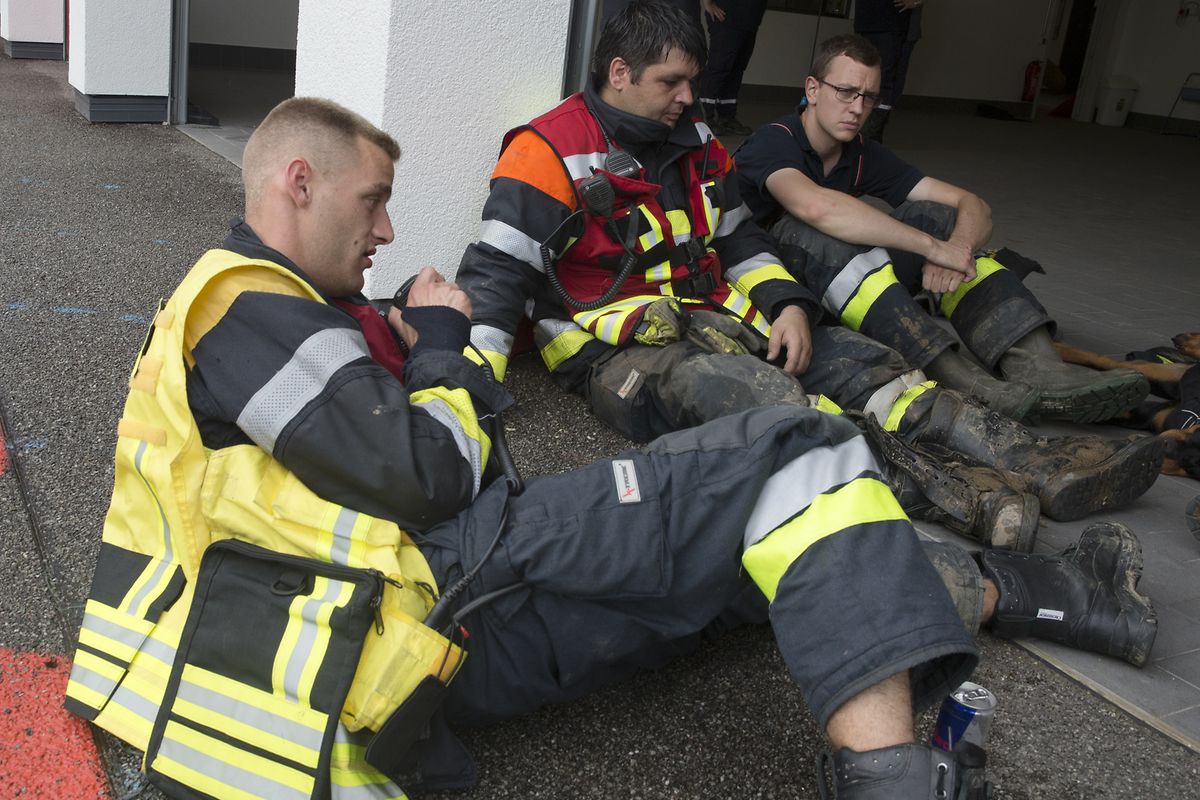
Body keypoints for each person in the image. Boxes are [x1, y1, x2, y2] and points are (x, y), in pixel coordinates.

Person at [62, 97, 1155, 800]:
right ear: (296, 184)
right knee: (797, 454)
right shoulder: (240, 305)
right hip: (430, 590)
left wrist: (404, 341)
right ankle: (895, 777)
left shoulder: (286, 308)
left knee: (764, 564)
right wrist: (440, 348)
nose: (389, 227)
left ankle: (1046, 594)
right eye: (374, 199)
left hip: (405, 642)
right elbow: (429, 470)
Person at [456, 1, 1163, 541]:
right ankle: (971, 503)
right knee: (768, 403)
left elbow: (737, 242)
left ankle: (1042, 462)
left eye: (691, 83)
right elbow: (493, 280)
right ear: (619, 73)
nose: (686, 99)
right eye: (672, 82)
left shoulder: (698, 142)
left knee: (870, 368)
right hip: (619, 356)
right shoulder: (546, 151)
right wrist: (471, 408)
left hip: (720, 319)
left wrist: (790, 307)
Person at [734, 33, 1151, 426]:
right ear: (812, 89)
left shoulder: (860, 153)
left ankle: (1041, 370)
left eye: (869, 98)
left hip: (838, 285)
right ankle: (965, 382)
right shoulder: (774, 141)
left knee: (940, 217)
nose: (858, 108)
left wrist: (958, 246)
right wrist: (932, 249)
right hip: (777, 293)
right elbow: (816, 206)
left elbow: (973, 205)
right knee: (813, 232)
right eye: (845, 92)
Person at [853, 0, 925, 143]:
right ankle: (862, 128)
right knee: (863, 75)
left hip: (894, 24)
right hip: (868, 21)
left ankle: (872, 131)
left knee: (885, 78)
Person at [698, 0, 768, 136]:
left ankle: (727, 117)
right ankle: (704, 118)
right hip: (726, 16)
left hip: (750, 21)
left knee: (736, 70)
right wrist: (707, 3)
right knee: (719, 67)